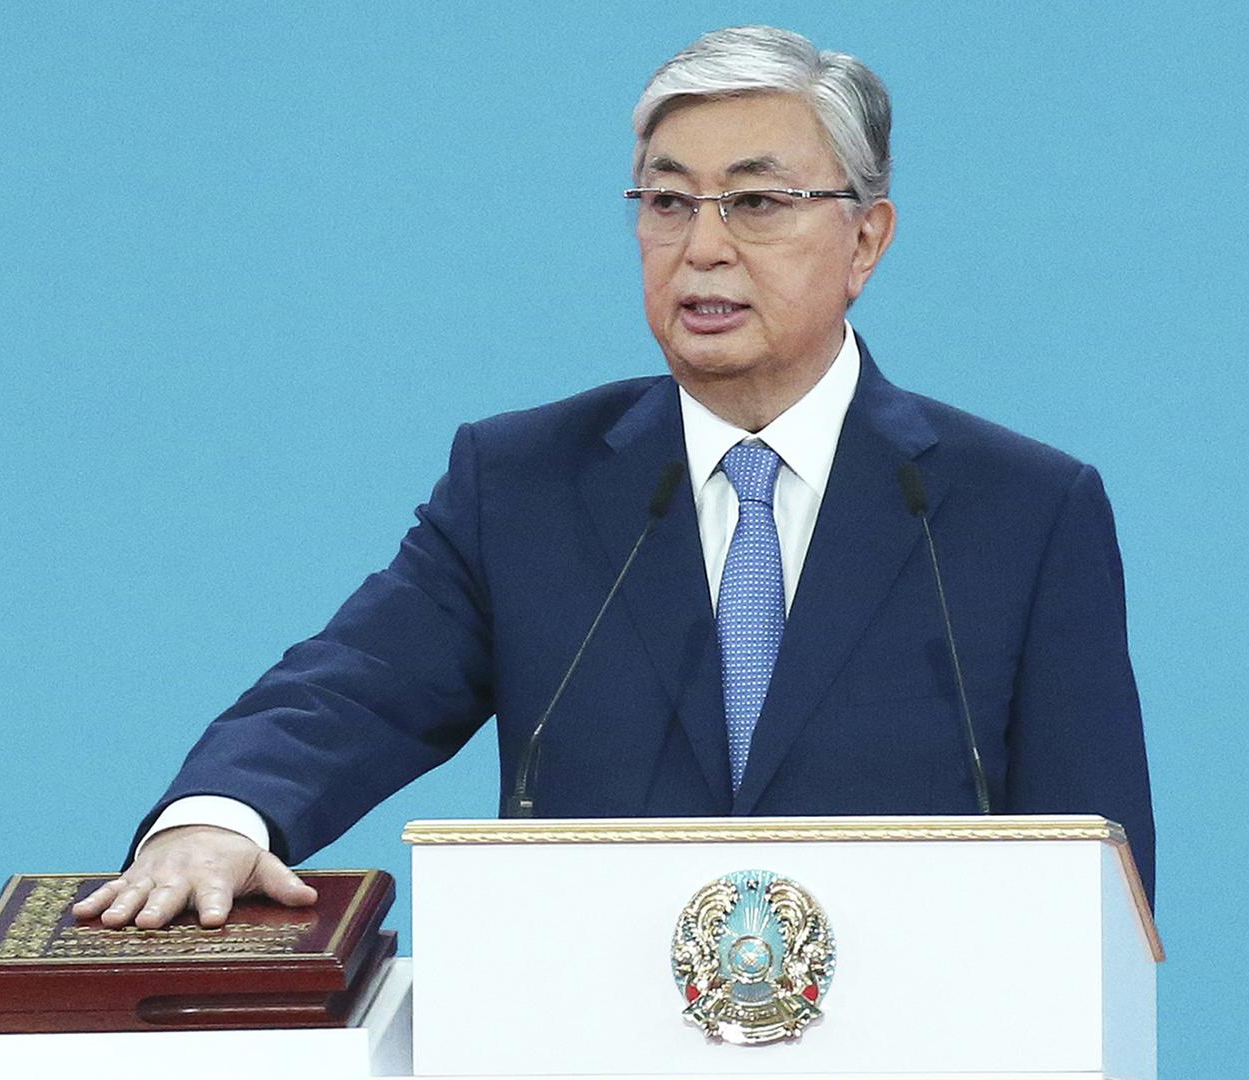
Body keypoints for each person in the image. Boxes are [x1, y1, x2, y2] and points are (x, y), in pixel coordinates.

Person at [74, 25, 1154, 931]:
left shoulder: (1021, 511)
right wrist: (222, 814)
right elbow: (355, 684)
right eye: (668, 203)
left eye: (757, 203)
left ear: (865, 239)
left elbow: (1103, 881)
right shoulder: (523, 486)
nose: (703, 247)